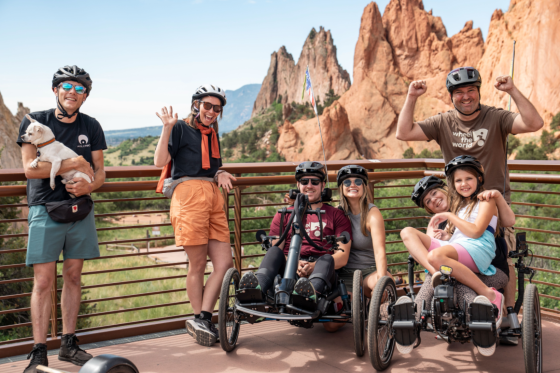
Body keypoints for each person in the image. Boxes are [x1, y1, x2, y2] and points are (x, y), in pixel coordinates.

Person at [396, 66, 544, 309]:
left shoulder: (496, 117)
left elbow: (534, 123)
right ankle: (446, 297)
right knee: (449, 250)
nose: (465, 96)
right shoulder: (443, 122)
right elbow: (404, 133)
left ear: (478, 91)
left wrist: (512, 90)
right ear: (451, 96)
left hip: (491, 202)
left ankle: (507, 315)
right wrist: (412, 96)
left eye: (471, 90)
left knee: (504, 258)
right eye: (459, 92)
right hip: (460, 204)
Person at [17, 65, 106, 373]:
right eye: (67, 86)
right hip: (44, 207)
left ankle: (68, 344)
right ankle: (38, 351)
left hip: (79, 209)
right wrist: (76, 161)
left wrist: (89, 184)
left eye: (80, 88)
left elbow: (100, 170)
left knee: (72, 277)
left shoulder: (91, 125)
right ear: (55, 90)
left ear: (86, 95)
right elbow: (31, 169)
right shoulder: (35, 123)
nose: (73, 92)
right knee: (43, 282)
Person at [400, 156, 514, 356]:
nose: (434, 200)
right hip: (459, 254)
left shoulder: (481, 202)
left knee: (444, 268)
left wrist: (496, 196)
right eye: (428, 201)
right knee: (408, 233)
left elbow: (482, 229)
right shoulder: (459, 211)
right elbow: (457, 238)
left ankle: (484, 305)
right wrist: (444, 235)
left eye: (435, 193)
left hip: (487, 263)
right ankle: (417, 312)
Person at [154, 84, 236, 347]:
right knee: (198, 264)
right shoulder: (180, 128)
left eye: (217, 108)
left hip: (213, 196)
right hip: (188, 196)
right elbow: (160, 161)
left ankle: (203, 317)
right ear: (196, 104)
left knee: (224, 264)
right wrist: (167, 127)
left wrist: (220, 172)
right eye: (207, 105)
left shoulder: (212, 133)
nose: (211, 111)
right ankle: (200, 318)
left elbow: (212, 166)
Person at [239, 162, 352, 321]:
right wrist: (295, 263)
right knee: (274, 251)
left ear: (323, 185)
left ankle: (307, 295)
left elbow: (343, 256)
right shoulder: (284, 214)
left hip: (321, 269)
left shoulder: (336, 215)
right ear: (298, 184)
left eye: (315, 182)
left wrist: (312, 266)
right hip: (289, 269)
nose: (309, 186)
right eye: (304, 182)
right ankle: (256, 292)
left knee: (327, 259)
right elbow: (276, 249)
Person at [335, 165, 390, 297]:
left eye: (358, 182)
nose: (353, 185)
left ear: (364, 187)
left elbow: (380, 251)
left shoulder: (372, 214)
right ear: (341, 188)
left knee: (381, 290)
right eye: (347, 182)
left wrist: (381, 281)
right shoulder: (338, 213)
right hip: (345, 275)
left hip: (369, 272)